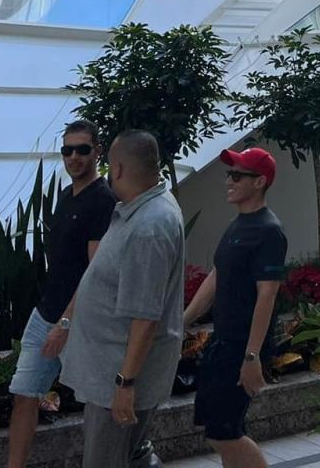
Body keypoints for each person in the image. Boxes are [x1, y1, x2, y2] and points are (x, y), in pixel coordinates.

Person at [58, 131, 184, 468]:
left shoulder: (150, 226)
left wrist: (125, 383)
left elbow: (145, 315)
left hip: (118, 376)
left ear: (118, 169)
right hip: (111, 371)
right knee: (128, 457)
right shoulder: (140, 209)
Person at [5, 120, 116, 468]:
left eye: (82, 149)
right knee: (24, 393)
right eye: (67, 150)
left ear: (97, 151)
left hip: (77, 321)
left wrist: (66, 322)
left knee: (98, 403)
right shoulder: (66, 195)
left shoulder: (103, 200)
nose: (74, 157)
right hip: (45, 313)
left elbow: (95, 272)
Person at [183, 148, 288, 468]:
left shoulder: (269, 231)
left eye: (238, 176)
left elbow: (267, 295)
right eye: (230, 174)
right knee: (218, 431)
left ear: (259, 182)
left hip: (243, 347)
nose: (229, 181)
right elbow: (216, 277)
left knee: (225, 433)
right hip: (223, 342)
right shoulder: (238, 225)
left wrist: (252, 357)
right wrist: (183, 321)